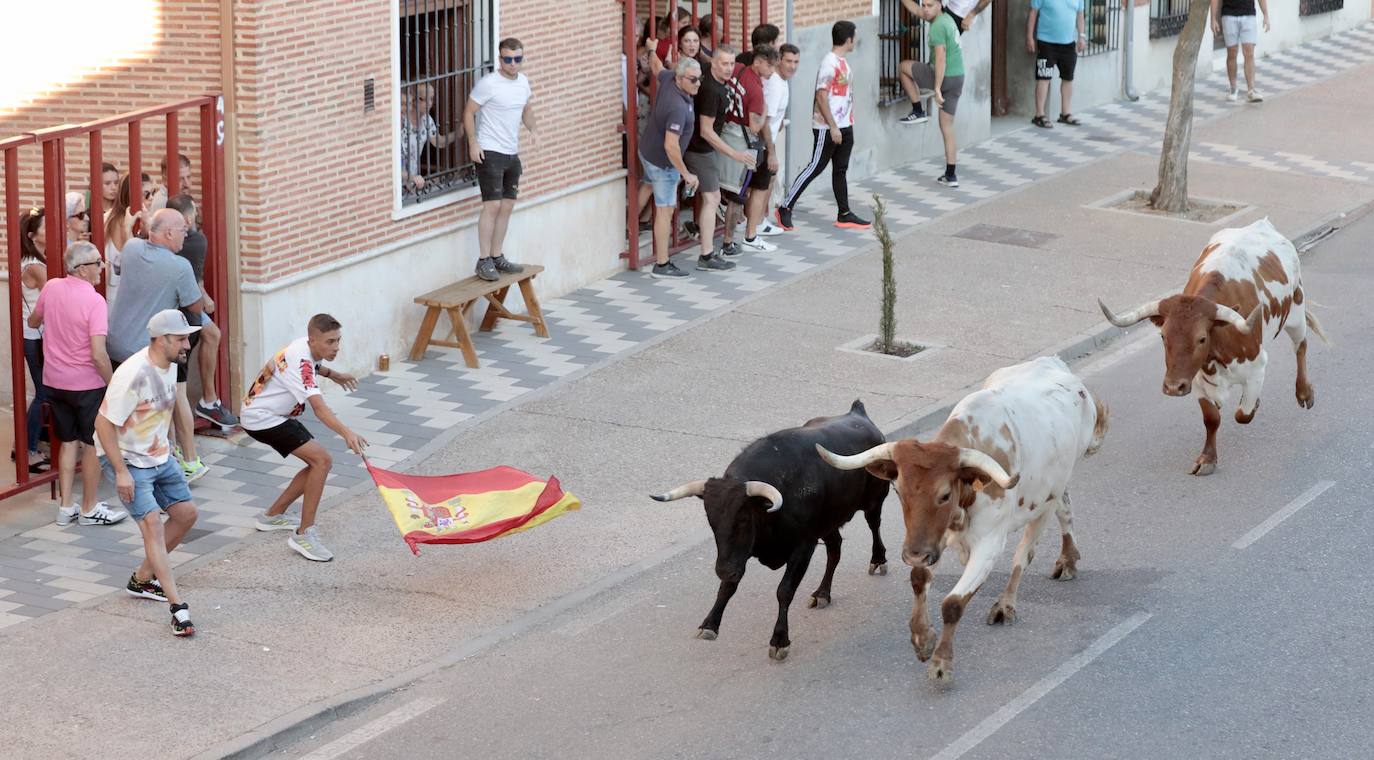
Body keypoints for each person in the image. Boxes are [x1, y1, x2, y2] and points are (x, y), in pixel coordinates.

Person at [95, 309, 202, 637]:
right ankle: (178, 608)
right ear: (162, 340)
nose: (187, 345)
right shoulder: (133, 374)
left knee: (186, 514)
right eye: (181, 339)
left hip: (159, 455)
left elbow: (162, 413)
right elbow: (102, 424)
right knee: (152, 523)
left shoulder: (171, 365)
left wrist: (173, 449)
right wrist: (121, 472)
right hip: (127, 460)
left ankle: (142, 578)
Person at [243, 314, 369, 563]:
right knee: (322, 461)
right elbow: (319, 408)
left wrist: (334, 375)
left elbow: (314, 365)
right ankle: (304, 534)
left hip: (268, 414)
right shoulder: (300, 359)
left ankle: (273, 515)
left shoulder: (303, 346)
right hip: (263, 418)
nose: (336, 347)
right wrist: (347, 433)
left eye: (338, 340)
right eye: (330, 342)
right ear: (313, 340)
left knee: (317, 462)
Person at [28, 241, 127, 526]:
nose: (102, 267)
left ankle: (65, 507)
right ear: (82, 269)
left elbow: (33, 322)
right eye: (97, 263)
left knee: (68, 443)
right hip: (86, 385)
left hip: (55, 381)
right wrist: (113, 384)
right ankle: (89, 508)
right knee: (92, 445)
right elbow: (98, 354)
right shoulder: (95, 301)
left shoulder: (52, 287)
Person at [105, 208, 207, 481]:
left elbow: (132, 249)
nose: (186, 235)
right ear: (170, 233)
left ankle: (166, 454)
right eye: (183, 230)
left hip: (116, 346)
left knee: (129, 410)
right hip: (147, 352)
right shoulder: (180, 267)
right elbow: (195, 306)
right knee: (160, 407)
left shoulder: (132, 248)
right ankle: (173, 463)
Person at [777, 20, 870, 231]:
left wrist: (844, 125)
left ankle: (844, 213)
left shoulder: (841, 62)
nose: (855, 40)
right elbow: (821, 95)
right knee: (815, 166)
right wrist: (833, 126)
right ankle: (785, 207)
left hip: (845, 125)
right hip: (828, 128)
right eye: (854, 36)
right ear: (848, 39)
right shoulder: (829, 63)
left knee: (840, 170)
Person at [464, 38, 535, 282]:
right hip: (490, 151)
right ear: (500, 59)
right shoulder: (489, 84)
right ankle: (483, 260)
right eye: (508, 59)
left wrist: (534, 130)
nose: (513, 63)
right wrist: (473, 143)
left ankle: (497, 256)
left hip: (511, 152)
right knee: (492, 206)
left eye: (517, 59)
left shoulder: (523, 82)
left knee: (507, 206)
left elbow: (526, 109)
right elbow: (468, 112)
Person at [164, 194, 237, 430]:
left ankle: (209, 400)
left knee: (212, 334)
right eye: (194, 213)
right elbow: (195, 282)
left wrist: (203, 294)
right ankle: (207, 401)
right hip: (178, 305)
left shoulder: (155, 238)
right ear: (187, 219)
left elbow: (194, 278)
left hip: (173, 300)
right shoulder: (196, 240)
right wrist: (205, 298)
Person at [684, 45, 754, 272]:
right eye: (724, 63)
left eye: (732, 64)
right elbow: (706, 130)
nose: (729, 68)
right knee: (713, 198)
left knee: (712, 197)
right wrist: (734, 153)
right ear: (714, 64)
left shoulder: (710, 75)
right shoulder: (712, 91)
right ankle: (706, 255)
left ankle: (702, 240)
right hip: (699, 149)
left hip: (702, 148)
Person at [640, 57, 703, 280]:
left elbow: (657, 66)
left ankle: (629, 226)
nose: (698, 83)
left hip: (647, 152)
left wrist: (651, 49)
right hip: (663, 164)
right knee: (665, 211)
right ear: (680, 78)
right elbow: (671, 145)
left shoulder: (668, 79)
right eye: (693, 79)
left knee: (647, 185)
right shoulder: (677, 107)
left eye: (700, 78)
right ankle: (662, 263)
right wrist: (686, 174)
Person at [900, 0, 966, 187]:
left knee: (903, 67)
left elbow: (940, 59)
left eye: (930, 5)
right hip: (958, 77)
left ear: (939, 5)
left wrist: (936, 88)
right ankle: (951, 175)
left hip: (942, 76)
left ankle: (917, 110)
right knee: (947, 127)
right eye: (924, 5)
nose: (925, 9)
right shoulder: (947, 19)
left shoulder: (937, 27)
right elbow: (915, 9)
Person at [720, 44, 779, 256]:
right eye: (770, 66)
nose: (772, 71)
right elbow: (755, 126)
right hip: (742, 141)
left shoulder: (736, 69)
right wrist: (764, 112)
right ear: (758, 62)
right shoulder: (756, 89)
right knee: (738, 194)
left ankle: (740, 234)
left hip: (725, 132)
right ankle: (733, 242)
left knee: (732, 191)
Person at [17, 207, 51, 472]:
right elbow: (56, 296)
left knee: (45, 392)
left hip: (36, 336)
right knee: (43, 393)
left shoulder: (35, 259)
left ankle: (29, 443)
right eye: (45, 227)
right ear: (32, 236)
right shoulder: (35, 266)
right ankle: (27, 450)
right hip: (35, 336)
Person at [1028, 0, 1086, 128]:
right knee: (1044, 78)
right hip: (1046, 42)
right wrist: (1030, 37)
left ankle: (1065, 114)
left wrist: (1082, 36)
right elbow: (1033, 12)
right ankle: (1039, 115)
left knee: (1068, 78)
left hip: (1069, 43)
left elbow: (1080, 14)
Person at [400, 83, 461, 194]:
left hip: (413, 182)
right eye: (424, 99)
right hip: (398, 182)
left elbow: (439, 142)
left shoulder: (426, 120)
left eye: (432, 99)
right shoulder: (401, 120)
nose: (429, 103)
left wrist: (458, 133)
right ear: (414, 99)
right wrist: (411, 177)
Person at [1212, 0, 1269, 103]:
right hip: (1229, 15)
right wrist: (1213, 18)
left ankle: (1251, 90)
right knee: (1232, 53)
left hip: (1249, 15)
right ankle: (1233, 88)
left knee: (1249, 53)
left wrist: (1266, 15)